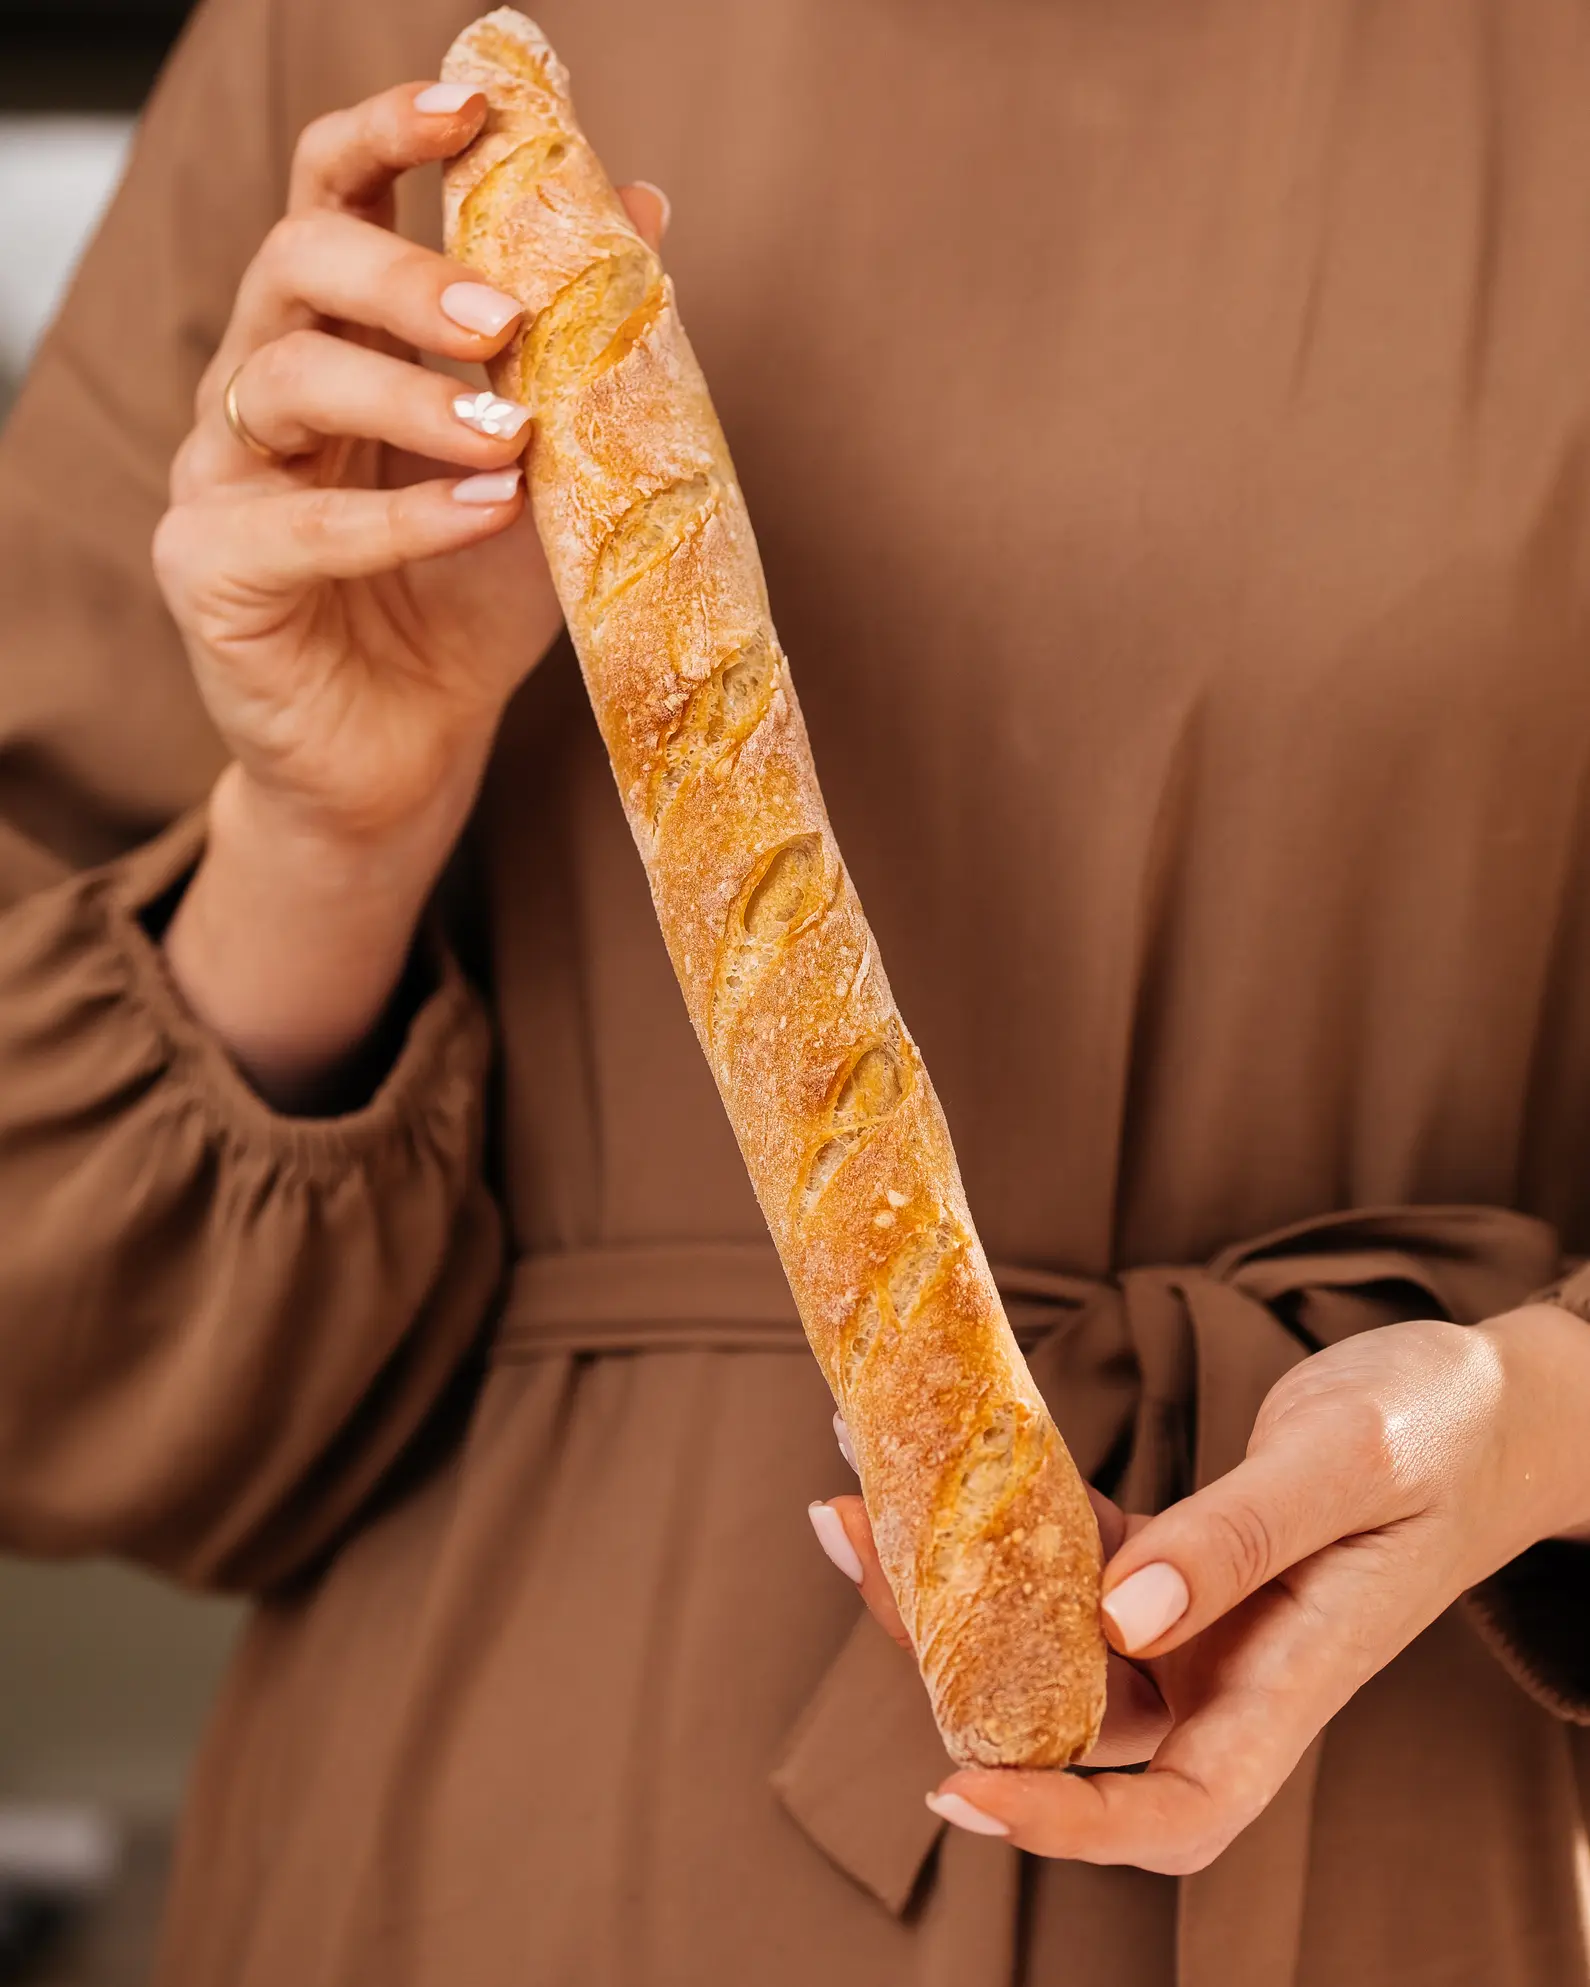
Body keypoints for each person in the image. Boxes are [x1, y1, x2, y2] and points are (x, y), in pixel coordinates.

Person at [1, 0, 1588, 1981]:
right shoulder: (362, 47)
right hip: (506, 1828)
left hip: (1393, 1822)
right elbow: (46, 1338)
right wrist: (328, 826)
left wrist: (1541, 1418)